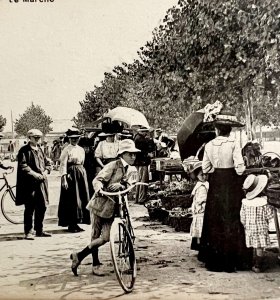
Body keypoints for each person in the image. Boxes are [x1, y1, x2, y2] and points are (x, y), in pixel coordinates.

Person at [70, 139, 140, 276]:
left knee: (106, 237)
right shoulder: (113, 166)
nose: (133, 157)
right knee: (95, 234)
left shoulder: (132, 170)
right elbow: (97, 180)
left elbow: (131, 185)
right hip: (100, 203)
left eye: (134, 154)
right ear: (122, 154)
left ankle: (78, 255)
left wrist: (122, 186)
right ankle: (95, 264)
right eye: (130, 154)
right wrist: (100, 189)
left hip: (115, 206)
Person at [198, 109, 252, 272]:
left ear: (217, 129)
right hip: (230, 182)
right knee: (232, 216)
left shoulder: (208, 145)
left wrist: (216, 168)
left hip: (216, 183)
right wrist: (239, 171)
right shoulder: (234, 144)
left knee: (215, 217)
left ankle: (215, 258)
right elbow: (240, 168)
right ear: (230, 130)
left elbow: (206, 167)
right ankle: (234, 258)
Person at [15, 129, 52, 240]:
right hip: (29, 184)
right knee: (30, 207)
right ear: (29, 138)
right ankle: (28, 231)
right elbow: (23, 166)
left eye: (39, 137)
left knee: (42, 206)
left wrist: (46, 171)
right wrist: (35, 174)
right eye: (35, 137)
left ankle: (39, 230)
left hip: (41, 183)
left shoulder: (40, 150)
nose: (37, 139)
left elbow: (47, 163)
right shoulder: (24, 150)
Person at [58, 129, 90, 232]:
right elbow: (63, 164)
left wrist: (82, 172)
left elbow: (83, 162)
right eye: (72, 138)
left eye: (76, 138)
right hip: (71, 175)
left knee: (81, 197)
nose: (74, 140)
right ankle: (71, 224)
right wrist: (64, 179)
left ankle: (78, 222)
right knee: (72, 199)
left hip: (80, 173)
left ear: (79, 138)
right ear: (69, 139)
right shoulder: (66, 149)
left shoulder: (81, 149)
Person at [241, 174, 274, 273]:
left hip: (250, 228)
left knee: (254, 245)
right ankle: (258, 265)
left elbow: (242, 217)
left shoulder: (245, 203)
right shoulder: (264, 203)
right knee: (260, 247)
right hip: (261, 229)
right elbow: (269, 216)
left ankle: (253, 263)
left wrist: (246, 225)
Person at [188, 161, 209, 251]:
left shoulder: (206, 184)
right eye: (201, 175)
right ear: (197, 176)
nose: (204, 177)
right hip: (200, 210)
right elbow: (198, 198)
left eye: (205, 174)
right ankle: (200, 246)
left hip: (202, 209)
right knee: (199, 229)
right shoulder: (200, 186)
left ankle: (201, 246)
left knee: (202, 229)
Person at [134, 127, 155, 204]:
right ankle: (141, 198)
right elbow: (147, 148)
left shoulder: (138, 137)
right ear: (142, 132)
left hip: (140, 162)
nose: (146, 133)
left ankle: (138, 198)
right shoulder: (140, 139)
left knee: (139, 180)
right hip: (142, 161)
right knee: (143, 180)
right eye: (145, 132)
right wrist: (147, 154)